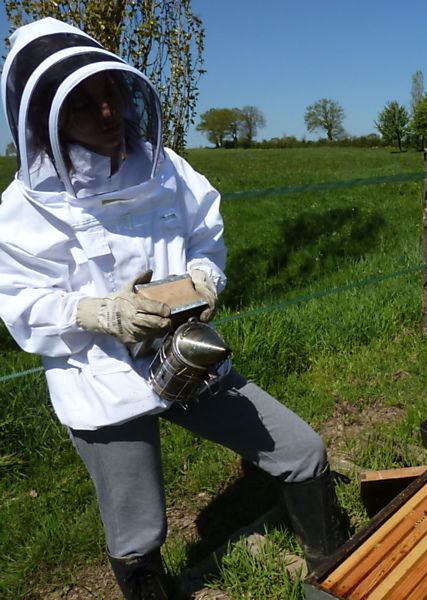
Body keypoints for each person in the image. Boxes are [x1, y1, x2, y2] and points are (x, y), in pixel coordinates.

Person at [0, 17, 344, 600]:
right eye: (84, 106)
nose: (107, 114)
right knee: (138, 530)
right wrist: (96, 313)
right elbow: (21, 301)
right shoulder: (24, 208)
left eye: (110, 94)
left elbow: (206, 235)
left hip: (186, 355)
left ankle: (335, 570)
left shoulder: (166, 166)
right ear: (46, 119)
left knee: (303, 450)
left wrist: (205, 277)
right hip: (101, 378)